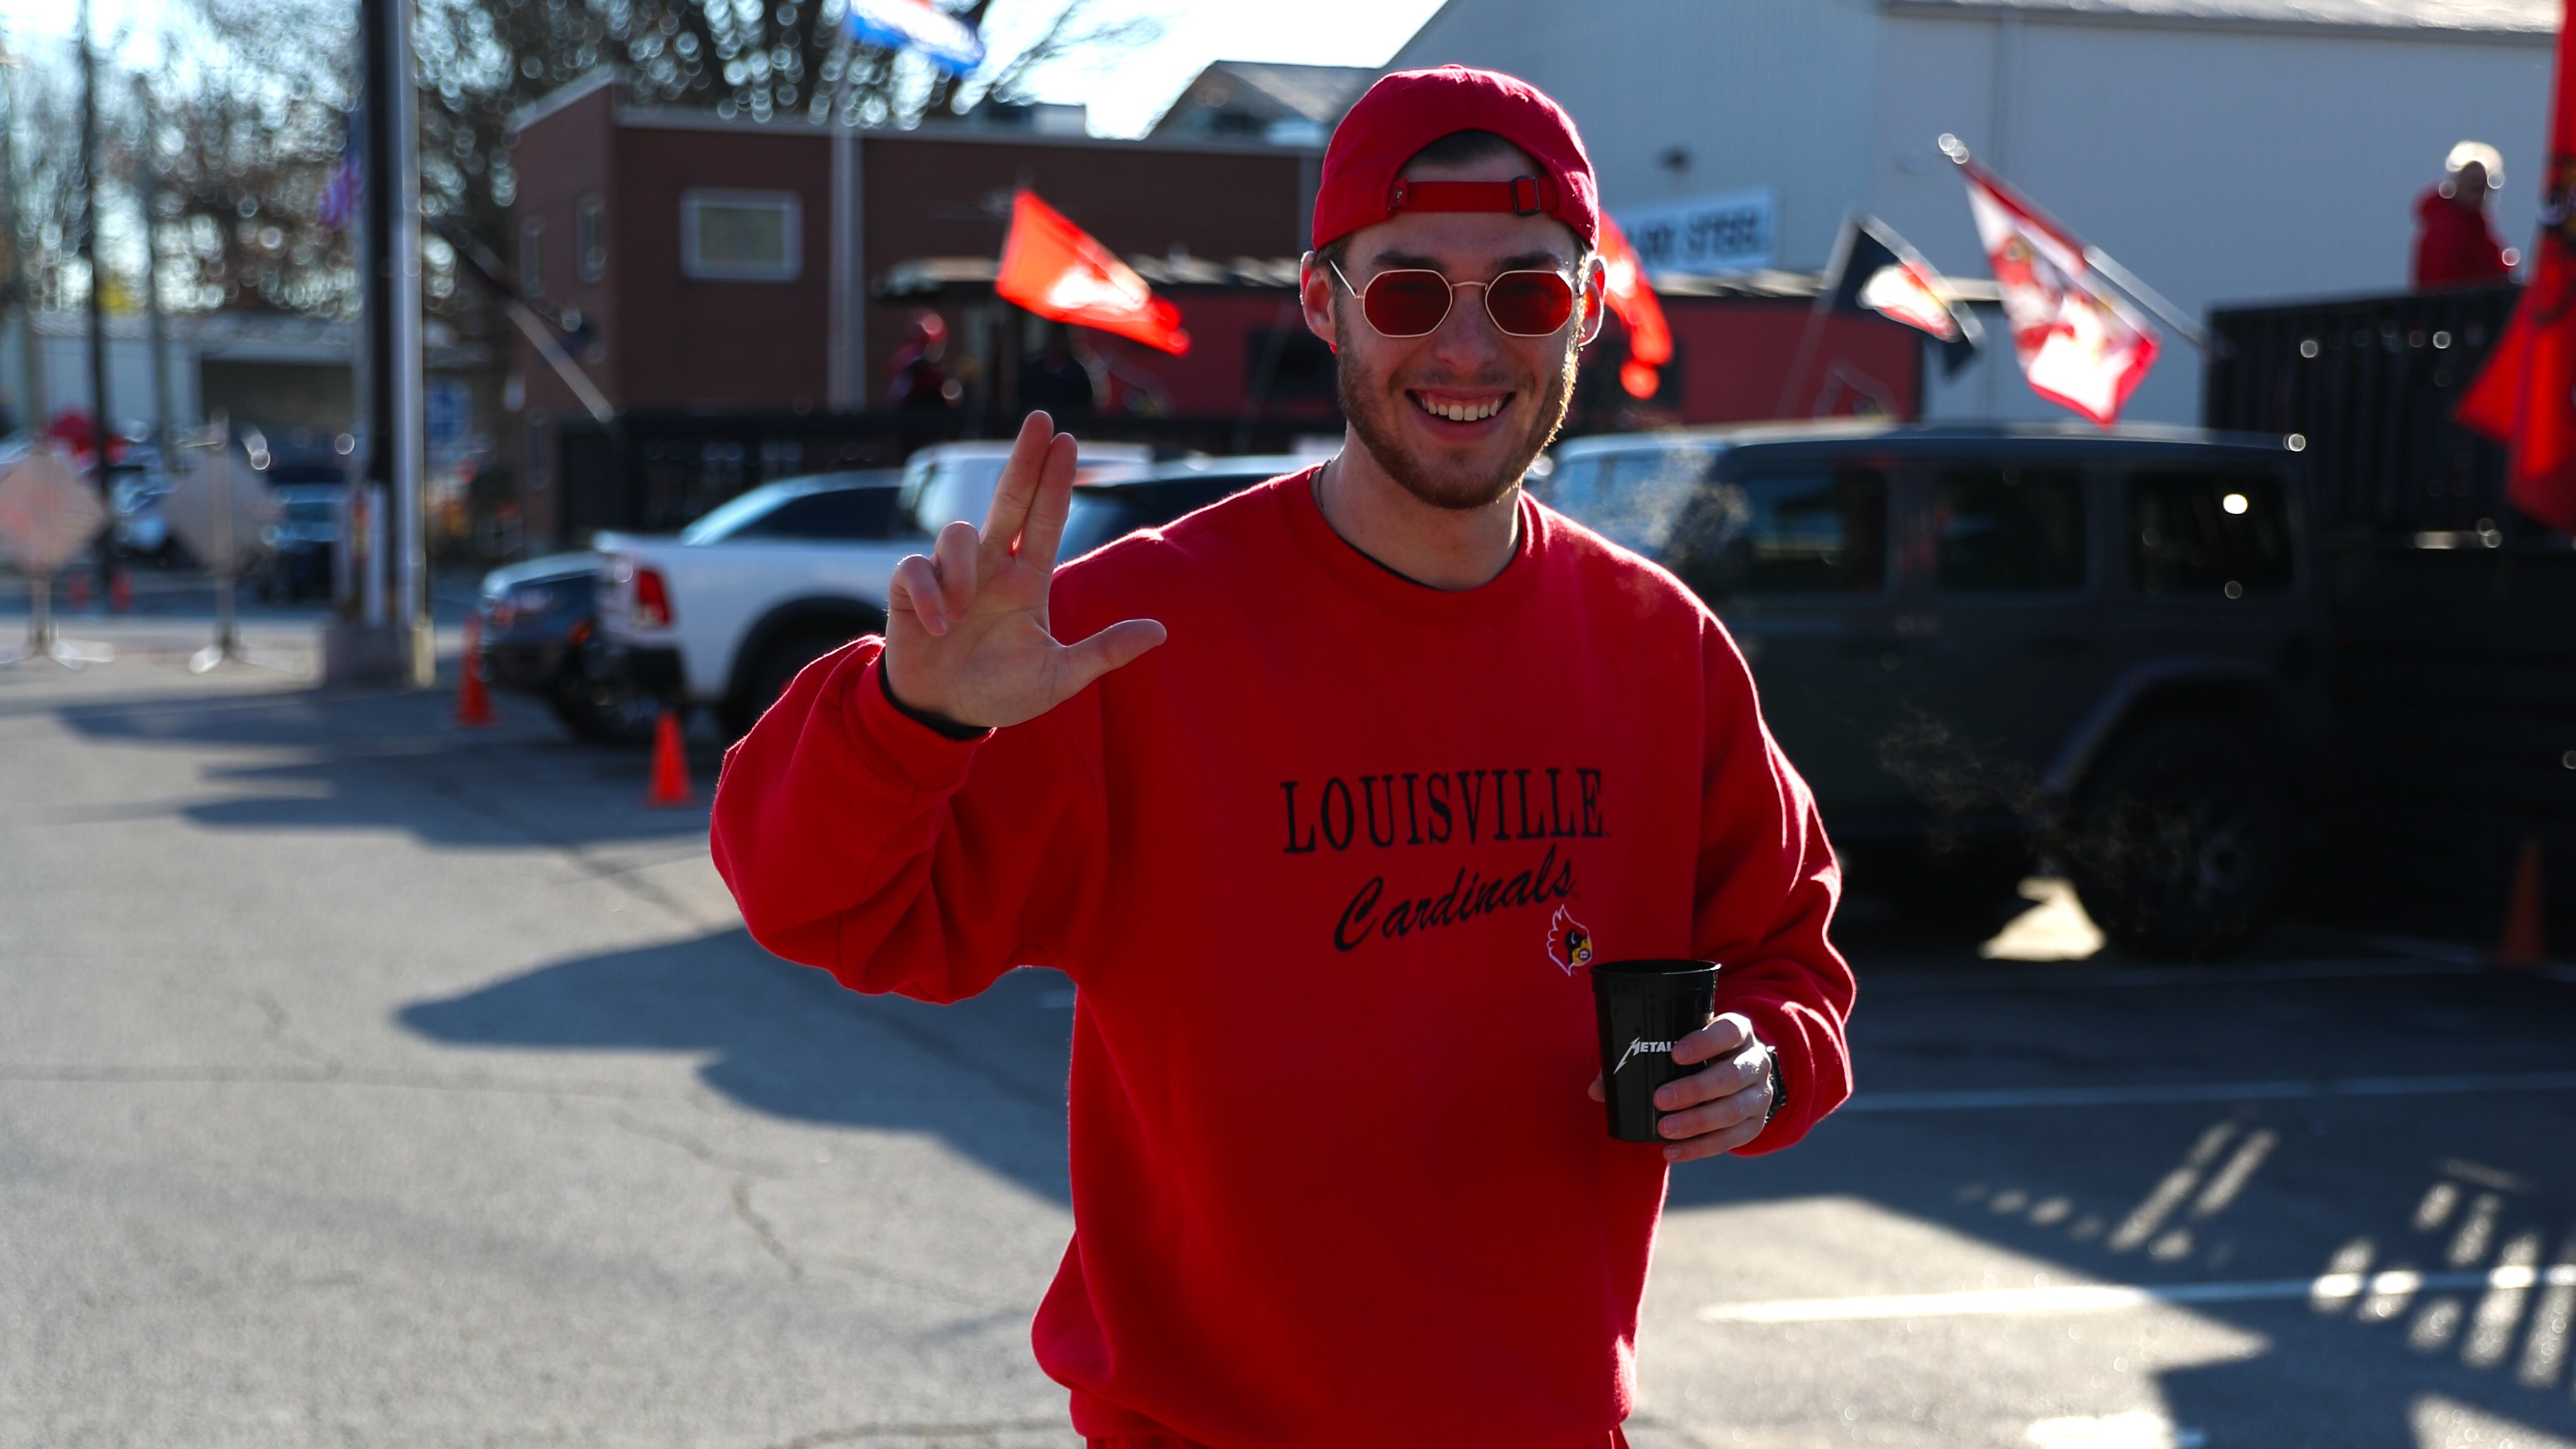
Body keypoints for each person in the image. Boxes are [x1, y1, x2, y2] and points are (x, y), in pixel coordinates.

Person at [712, 64, 1853, 1449]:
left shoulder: (1658, 649)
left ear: (1591, 311)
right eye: (1411, 288)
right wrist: (912, 718)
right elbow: (816, 899)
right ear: (1323, 304)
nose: (1471, 346)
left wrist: (1768, 1063)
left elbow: (1789, 954)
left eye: (1529, 291)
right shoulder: (1134, 633)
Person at [2413, 141, 2517, 290]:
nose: (2479, 188)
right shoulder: (2447, 231)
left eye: (2483, 184)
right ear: (2457, 184)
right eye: (2472, 182)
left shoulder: (2481, 234)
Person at [1018, 322, 1097, 418]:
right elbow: (1023, 398)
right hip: (1040, 423)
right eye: (1055, 338)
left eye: (1062, 338)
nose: (1058, 343)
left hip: (1070, 426)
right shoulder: (1034, 371)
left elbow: (1088, 403)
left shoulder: (1078, 372)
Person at [887, 311, 962, 410]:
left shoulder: (941, 369)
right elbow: (897, 394)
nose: (936, 349)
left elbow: (952, 396)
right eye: (932, 345)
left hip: (936, 414)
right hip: (913, 413)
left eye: (939, 345)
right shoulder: (912, 363)